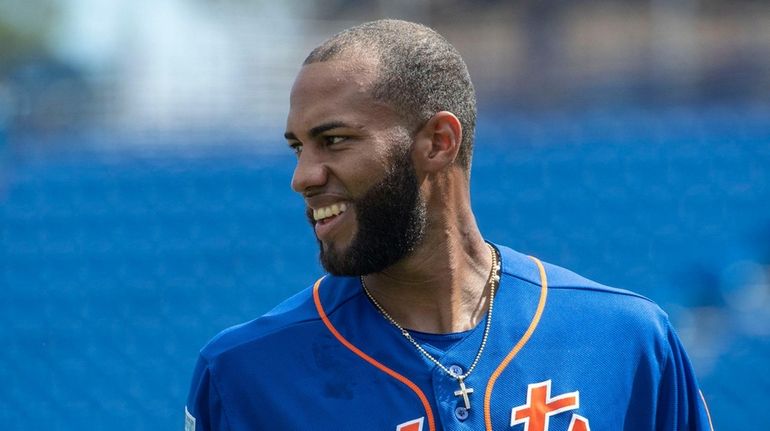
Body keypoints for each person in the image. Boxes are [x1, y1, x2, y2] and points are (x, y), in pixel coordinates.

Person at [186, 19, 714, 431]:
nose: (303, 176)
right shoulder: (245, 376)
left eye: (335, 140)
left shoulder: (625, 340)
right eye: (298, 148)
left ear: (439, 142)